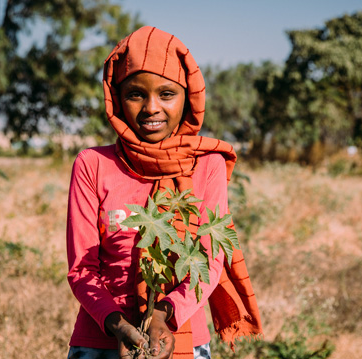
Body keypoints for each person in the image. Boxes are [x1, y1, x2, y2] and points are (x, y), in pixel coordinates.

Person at [65, 26, 262, 359]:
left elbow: (208, 261)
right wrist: (117, 324)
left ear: (188, 98)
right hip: (100, 340)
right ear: (116, 98)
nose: (151, 107)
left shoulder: (207, 165)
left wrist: (163, 315)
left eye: (166, 94)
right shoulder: (92, 164)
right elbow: (81, 269)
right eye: (136, 94)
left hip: (181, 335)